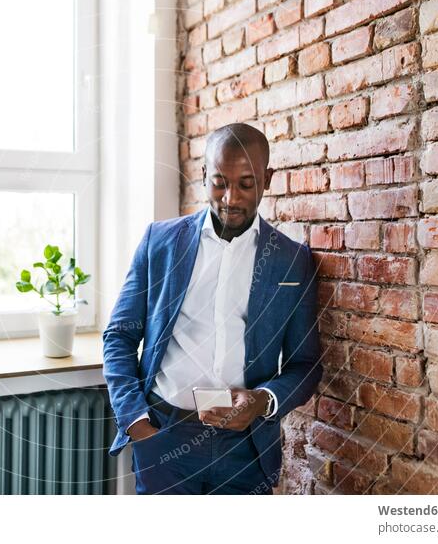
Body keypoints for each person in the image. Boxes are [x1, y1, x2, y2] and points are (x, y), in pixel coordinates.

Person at [102, 122, 322, 494]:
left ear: (267, 179)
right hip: (164, 437)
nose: (230, 198)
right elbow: (118, 338)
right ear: (204, 176)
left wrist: (262, 401)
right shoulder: (160, 242)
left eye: (246, 183)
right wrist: (137, 422)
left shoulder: (291, 261)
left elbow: (305, 364)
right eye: (219, 182)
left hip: (246, 452)